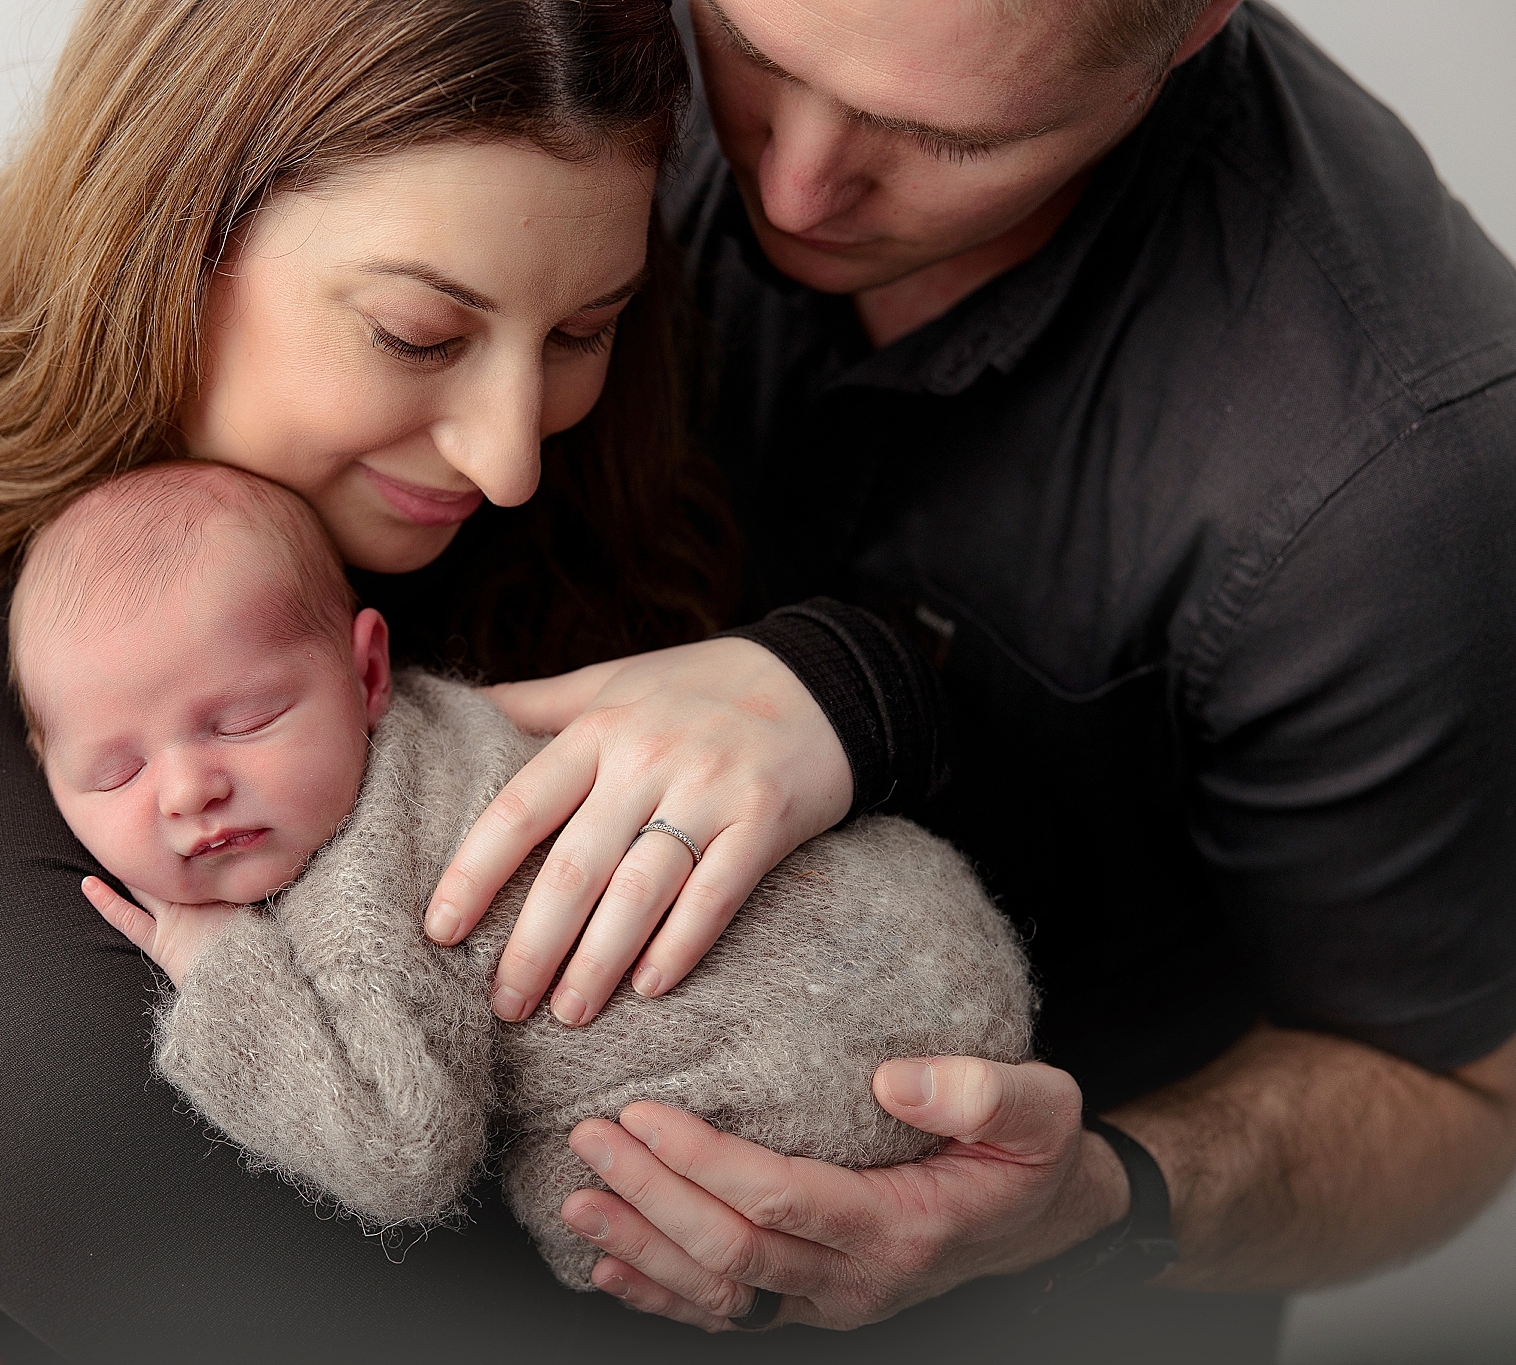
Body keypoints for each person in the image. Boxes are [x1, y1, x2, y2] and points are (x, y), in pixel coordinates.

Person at [0, 2, 941, 1362]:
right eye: (420, 334)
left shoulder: (539, 511)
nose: (507, 460)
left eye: (579, 332)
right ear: (172, 232)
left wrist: (845, 691)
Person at [467, 0, 1516, 1351]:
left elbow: (1463, 1095)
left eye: (941, 136)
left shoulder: (1402, 473)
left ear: (1196, 24)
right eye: (755, 54)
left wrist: (1093, 1202)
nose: (792, 183)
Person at [8, 458, 1030, 1290]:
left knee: (584, 1208)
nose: (188, 791)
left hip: (831, 1080)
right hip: (936, 944)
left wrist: (219, 961)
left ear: (367, 675)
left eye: (242, 721)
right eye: (115, 772)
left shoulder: (368, 891)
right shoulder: (452, 726)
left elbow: (398, 1150)